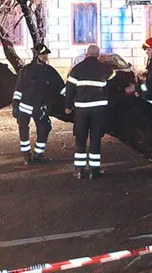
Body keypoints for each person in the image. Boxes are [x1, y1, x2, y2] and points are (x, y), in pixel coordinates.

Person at [65, 44, 116, 179]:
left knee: (80, 138)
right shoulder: (104, 68)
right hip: (99, 110)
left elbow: (69, 89)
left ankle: (78, 170)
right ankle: (94, 170)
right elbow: (113, 79)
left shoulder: (77, 69)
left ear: (86, 54)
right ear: (98, 55)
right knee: (95, 139)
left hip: (81, 109)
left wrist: (67, 106)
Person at [12, 43, 64, 165]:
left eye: (46, 54)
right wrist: (15, 105)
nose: (46, 57)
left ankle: (38, 155)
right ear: (36, 55)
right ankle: (26, 156)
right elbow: (18, 89)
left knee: (44, 129)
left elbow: (61, 87)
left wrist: (74, 96)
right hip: (26, 107)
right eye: (43, 54)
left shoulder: (49, 71)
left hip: (40, 108)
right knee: (24, 131)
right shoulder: (26, 70)